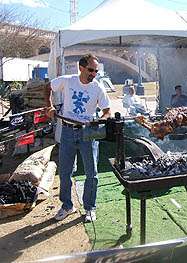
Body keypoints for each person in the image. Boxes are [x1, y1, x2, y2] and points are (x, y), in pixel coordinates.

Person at [45, 54, 111, 222]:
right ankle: (67, 206)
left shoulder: (98, 87)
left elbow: (107, 111)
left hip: (88, 134)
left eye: (96, 71)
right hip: (67, 131)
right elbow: (48, 87)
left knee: (92, 173)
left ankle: (90, 208)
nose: (94, 73)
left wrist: (101, 120)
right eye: (91, 70)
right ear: (81, 68)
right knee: (65, 172)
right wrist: (49, 106)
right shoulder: (68, 81)